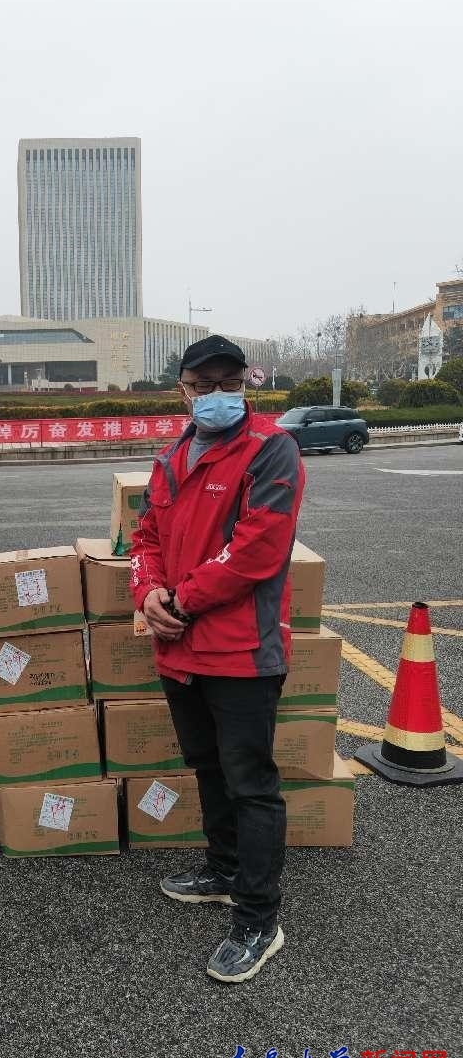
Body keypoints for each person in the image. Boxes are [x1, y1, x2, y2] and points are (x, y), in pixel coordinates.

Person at [129, 334, 305, 984]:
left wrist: (180, 598)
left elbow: (257, 548)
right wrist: (147, 592)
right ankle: (224, 870)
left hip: (241, 652)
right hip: (180, 648)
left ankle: (259, 918)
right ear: (183, 391)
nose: (216, 395)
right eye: (202, 386)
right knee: (207, 766)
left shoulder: (270, 449)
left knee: (251, 783)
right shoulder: (171, 458)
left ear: (245, 385)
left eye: (228, 384)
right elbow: (144, 538)